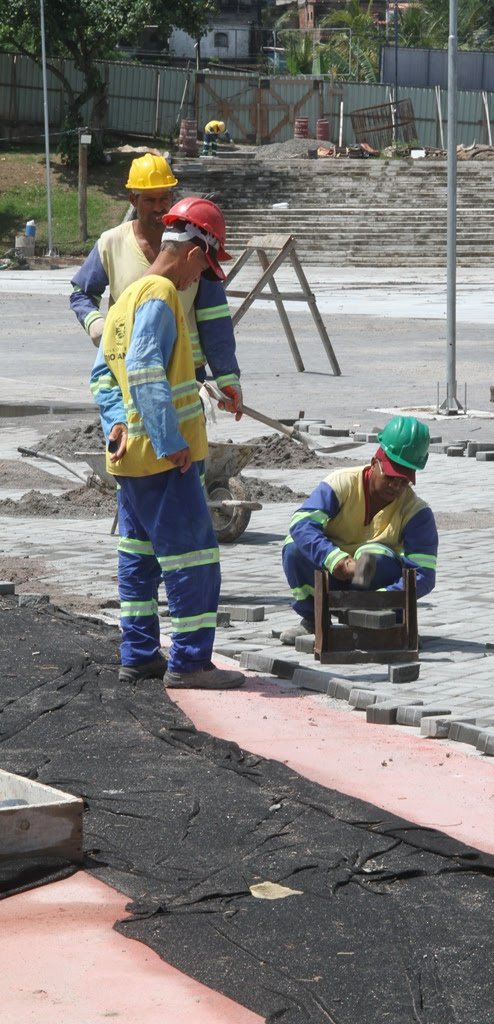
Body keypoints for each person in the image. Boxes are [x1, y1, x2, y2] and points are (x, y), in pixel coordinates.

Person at [90, 196, 245, 690]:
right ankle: (190, 662)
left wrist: (115, 424)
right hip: (164, 459)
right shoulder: (160, 295)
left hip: (128, 459)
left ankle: (138, 654)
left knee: (138, 556)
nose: (197, 283)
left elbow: (101, 377)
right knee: (193, 557)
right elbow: (144, 370)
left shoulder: (124, 301)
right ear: (196, 255)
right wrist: (170, 440)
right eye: (204, 269)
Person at [70, 152, 242, 418]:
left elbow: (214, 317)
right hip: (131, 369)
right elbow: (82, 292)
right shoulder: (110, 243)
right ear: (133, 200)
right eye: (150, 200)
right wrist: (95, 322)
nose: (160, 207)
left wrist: (227, 376)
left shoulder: (193, 246)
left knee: (181, 445)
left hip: (185, 372)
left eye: (165, 198)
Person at [280, 415, 438, 645]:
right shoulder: (341, 484)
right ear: (375, 463)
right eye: (391, 477)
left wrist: (379, 602)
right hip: (333, 575)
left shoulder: (417, 512)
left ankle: (383, 620)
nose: (396, 487)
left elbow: (424, 574)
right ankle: (314, 619)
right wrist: (336, 559)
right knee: (294, 548)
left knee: (371, 558)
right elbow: (301, 523)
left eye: (404, 481)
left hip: (374, 583)